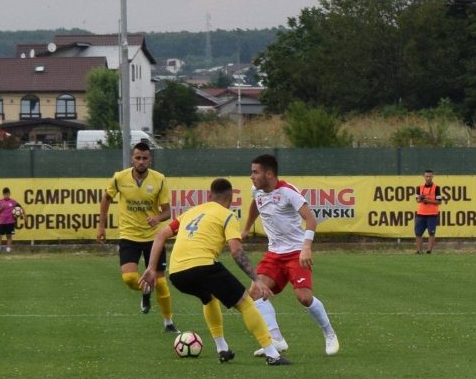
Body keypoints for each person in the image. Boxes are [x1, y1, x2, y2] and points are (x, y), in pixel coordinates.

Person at [140, 178, 290, 365]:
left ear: (209, 195)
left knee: (208, 297)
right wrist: (256, 279)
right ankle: (272, 355)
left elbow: (161, 234)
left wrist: (151, 268)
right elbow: (236, 251)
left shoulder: (191, 212)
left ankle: (222, 349)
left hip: (177, 273)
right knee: (245, 303)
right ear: (231, 199)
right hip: (203, 266)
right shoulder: (227, 215)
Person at [241, 154, 340, 357]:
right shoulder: (256, 191)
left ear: (269, 174)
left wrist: (306, 247)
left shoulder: (288, 192)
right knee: (256, 292)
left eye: (255, 172)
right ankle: (276, 339)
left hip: (296, 252)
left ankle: (329, 333)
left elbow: (311, 220)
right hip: (274, 254)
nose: (251, 176)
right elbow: (255, 205)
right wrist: (247, 228)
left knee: (304, 298)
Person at [98, 141, 177, 332]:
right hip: (129, 235)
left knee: (161, 283)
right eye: (138, 158)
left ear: (150, 160)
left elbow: (167, 212)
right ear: (132, 159)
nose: (141, 161)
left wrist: (157, 218)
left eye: (144, 158)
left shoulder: (159, 179)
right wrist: (101, 226)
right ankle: (145, 290)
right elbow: (106, 199)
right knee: (129, 278)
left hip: (153, 238)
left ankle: (168, 322)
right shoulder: (119, 178)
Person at [414, 169, 442, 254]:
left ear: (432, 177)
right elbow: (417, 200)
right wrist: (421, 198)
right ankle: (419, 251)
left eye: (430, 176)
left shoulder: (436, 188)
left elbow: (439, 202)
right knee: (418, 233)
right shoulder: (419, 187)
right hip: (421, 213)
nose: (428, 178)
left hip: (432, 214)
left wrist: (428, 201)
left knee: (431, 233)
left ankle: (429, 251)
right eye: (426, 176)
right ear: (424, 176)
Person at [0, 187, 23, 254]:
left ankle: (8, 251)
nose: (6, 196)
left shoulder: (13, 202)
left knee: (9, 236)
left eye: (7, 194)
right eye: (5, 194)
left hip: (10, 222)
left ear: (9, 194)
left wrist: (21, 215)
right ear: (3, 194)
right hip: (2, 222)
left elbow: (20, 208)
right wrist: (1, 208)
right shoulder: (0, 201)